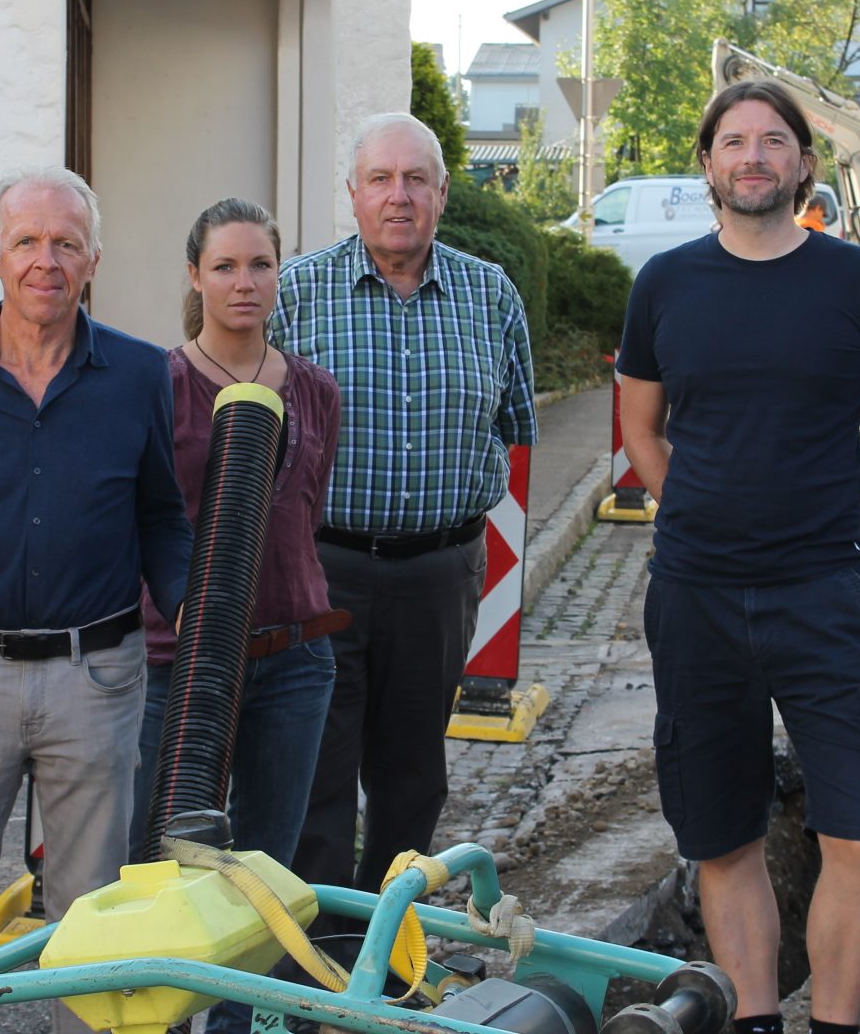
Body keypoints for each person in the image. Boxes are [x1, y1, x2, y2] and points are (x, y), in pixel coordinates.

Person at [616, 80, 860, 1034]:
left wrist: (836, 516)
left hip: (824, 596)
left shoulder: (856, 281)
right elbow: (641, 429)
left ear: (804, 164)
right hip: (697, 599)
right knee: (723, 838)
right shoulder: (665, 284)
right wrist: (702, 512)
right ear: (708, 165)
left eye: (773, 141)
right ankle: (755, 1020)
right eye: (734, 141)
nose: (753, 156)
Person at [0, 166, 192, 1034]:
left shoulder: (138, 374)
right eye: (26, 242)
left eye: (65, 243)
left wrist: (191, 605)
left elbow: (161, 518)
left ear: (94, 260)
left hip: (97, 678)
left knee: (90, 924)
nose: (45, 261)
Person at [273, 111, 537, 910]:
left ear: (443, 193)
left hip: (440, 576)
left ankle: (391, 949)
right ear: (352, 194)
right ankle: (320, 953)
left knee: (413, 777)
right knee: (317, 775)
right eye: (381, 180)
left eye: (416, 179)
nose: (399, 196)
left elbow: (515, 425)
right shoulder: (297, 294)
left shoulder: (491, 295)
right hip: (321, 575)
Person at [130, 197, 342, 1034]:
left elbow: (305, 517)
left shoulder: (315, 391)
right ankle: (161, 1019)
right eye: (224, 266)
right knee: (163, 865)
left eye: (260, 265)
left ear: (279, 274)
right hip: (175, 663)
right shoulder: (158, 387)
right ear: (194, 276)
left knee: (264, 873)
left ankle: (236, 1027)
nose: (243, 282)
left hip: (294, 660)